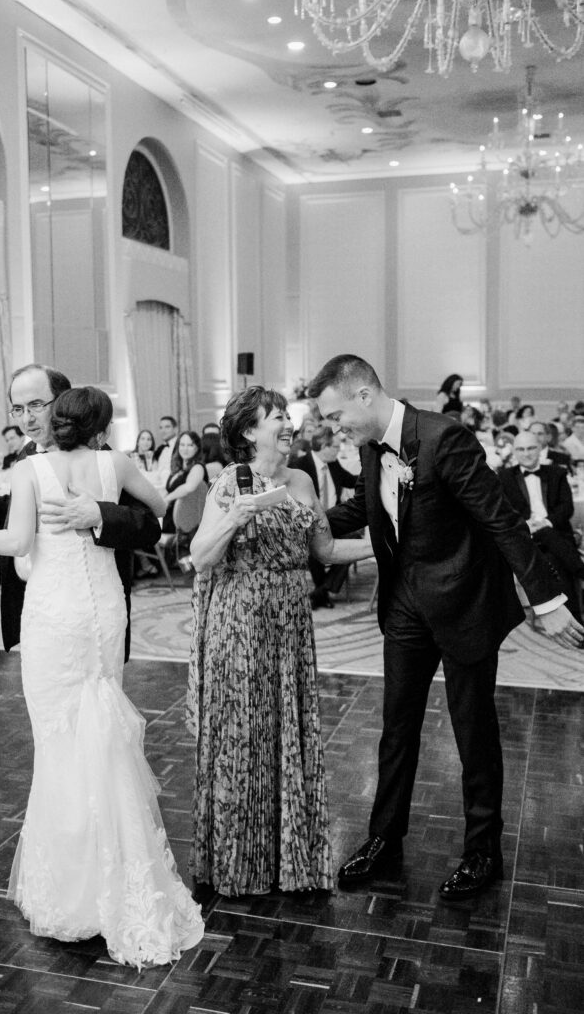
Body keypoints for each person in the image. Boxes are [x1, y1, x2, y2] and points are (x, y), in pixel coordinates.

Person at [0, 386, 204, 967]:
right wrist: (103, 506)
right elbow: (162, 506)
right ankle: (124, 874)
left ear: (56, 419)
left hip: (55, 615)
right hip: (103, 608)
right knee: (102, 731)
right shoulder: (116, 463)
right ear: (101, 427)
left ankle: (76, 889)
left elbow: (17, 542)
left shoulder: (31, 469)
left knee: (58, 741)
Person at [307, 354, 583, 903]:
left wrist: (547, 597)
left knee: (472, 730)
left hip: (463, 604)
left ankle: (482, 850)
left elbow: (501, 520)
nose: (334, 428)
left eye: (336, 415)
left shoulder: (444, 438)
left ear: (365, 395)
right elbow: (363, 509)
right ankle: (384, 837)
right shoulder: (371, 448)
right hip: (405, 606)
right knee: (396, 725)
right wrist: (293, 520)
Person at [186, 386, 373, 897]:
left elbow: (326, 550)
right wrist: (234, 517)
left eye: (287, 416)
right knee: (244, 734)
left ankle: (288, 859)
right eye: (276, 417)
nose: (288, 424)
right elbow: (200, 557)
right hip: (240, 621)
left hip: (290, 622)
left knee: (286, 727)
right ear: (250, 431)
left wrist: (384, 544)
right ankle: (239, 863)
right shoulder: (230, 482)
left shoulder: (302, 480)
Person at [0, 363, 163, 662]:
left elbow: (149, 524)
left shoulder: (102, 458)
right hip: (38, 603)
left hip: (93, 604)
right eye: (17, 409)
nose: (26, 419)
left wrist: (100, 514)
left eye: (35, 405)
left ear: (62, 402)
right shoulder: (27, 455)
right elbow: (29, 513)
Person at [499, 432, 584, 622]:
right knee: (553, 547)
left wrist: (545, 522)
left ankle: (576, 625)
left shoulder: (557, 473)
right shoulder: (504, 477)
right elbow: (504, 512)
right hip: (525, 537)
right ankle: (580, 571)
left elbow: (566, 508)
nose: (526, 453)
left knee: (554, 559)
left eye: (531, 448)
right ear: (514, 452)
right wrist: (527, 525)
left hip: (555, 535)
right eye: (521, 449)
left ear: (539, 449)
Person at [289, 425, 360, 609]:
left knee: (353, 541)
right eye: (335, 447)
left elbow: (352, 481)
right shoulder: (300, 466)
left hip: (333, 521)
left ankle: (321, 591)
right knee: (314, 543)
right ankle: (323, 592)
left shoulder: (333, 464)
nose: (338, 450)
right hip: (309, 523)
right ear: (323, 446)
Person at [162, 431, 208, 536]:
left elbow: (189, 487)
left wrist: (167, 499)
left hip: (185, 526)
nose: (185, 449)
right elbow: (168, 490)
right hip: (169, 519)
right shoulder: (177, 469)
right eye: (182, 445)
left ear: (197, 448)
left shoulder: (198, 467)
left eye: (190, 445)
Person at [153, 415, 178, 480]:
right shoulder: (160, 449)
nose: (163, 431)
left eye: (167, 427)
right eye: (161, 428)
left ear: (175, 429)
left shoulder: (181, 446)